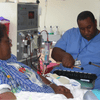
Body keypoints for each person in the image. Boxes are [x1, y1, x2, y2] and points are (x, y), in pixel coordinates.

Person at [0, 23, 73, 99]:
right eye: (7, 41)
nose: (11, 44)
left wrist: (53, 86)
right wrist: (57, 97)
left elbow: (32, 74)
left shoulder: (11, 59)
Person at [51, 11, 100, 90]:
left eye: (89, 27)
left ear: (95, 23)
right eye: (82, 29)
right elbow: (54, 53)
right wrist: (64, 56)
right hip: (64, 80)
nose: (86, 32)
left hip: (92, 84)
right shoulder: (71, 34)